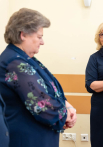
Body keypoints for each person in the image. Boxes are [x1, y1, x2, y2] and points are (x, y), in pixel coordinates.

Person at [0, 8, 77, 147]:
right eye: (39, 37)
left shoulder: (26, 59)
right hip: (27, 139)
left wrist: (69, 107)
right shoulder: (15, 63)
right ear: (23, 35)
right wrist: (65, 116)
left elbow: (51, 89)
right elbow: (42, 105)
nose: (42, 42)